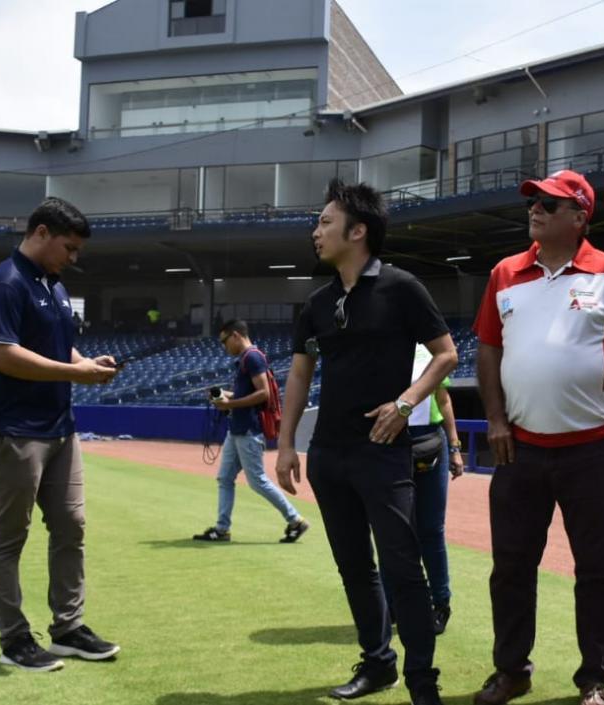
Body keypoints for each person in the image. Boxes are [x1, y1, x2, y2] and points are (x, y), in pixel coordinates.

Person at [473, 169, 604, 705]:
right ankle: (512, 671)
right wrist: (497, 419)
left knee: (598, 569)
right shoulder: (504, 273)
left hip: (592, 449)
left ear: (580, 217)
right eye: (534, 202)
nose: (536, 210)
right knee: (510, 566)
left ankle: (594, 680)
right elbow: (487, 348)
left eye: (550, 205)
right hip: (519, 447)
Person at [275, 178, 457, 705]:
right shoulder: (316, 302)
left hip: (383, 453)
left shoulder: (402, 287)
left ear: (358, 231)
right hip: (328, 455)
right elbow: (300, 375)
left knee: (403, 566)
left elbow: (445, 355)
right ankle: (378, 664)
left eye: (325, 222)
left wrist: (405, 404)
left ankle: (424, 684)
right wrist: (287, 445)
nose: (316, 231)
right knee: (354, 566)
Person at [0, 197, 121, 672]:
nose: (73, 259)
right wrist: (75, 376)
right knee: (9, 536)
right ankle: (15, 640)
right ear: (40, 232)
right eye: (68, 248)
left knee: (71, 526)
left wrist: (83, 363)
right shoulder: (4, 283)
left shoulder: (50, 285)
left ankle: (68, 629)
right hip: (11, 431)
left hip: (58, 430)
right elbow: (1, 355)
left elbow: (55, 344)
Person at [192, 319, 309, 544]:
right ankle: (222, 529)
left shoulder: (252, 357)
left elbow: (263, 393)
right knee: (225, 478)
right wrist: (225, 395)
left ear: (236, 335)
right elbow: (247, 394)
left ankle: (295, 520)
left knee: (257, 481)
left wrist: (229, 405)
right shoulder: (246, 359)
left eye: (225, 341)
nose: (224, 346)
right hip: (237, 430)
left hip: (248, 430)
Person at [385, 344, 465, 634]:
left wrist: (455, 447)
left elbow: (443, 400)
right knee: (390, 529)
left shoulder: (429, 350)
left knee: (431, 529)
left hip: (430, 440)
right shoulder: (379, 345)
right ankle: (389, 603)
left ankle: (440, 603)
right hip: (389, 441)